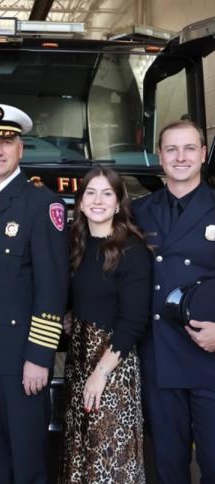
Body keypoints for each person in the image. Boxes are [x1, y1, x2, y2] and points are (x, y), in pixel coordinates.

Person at [0, 103, 69, 484]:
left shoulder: (43, 204)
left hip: (19, 361)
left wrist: (39, 356)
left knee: (27, 462)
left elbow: (52, 287)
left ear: (21, 148)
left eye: (7, 142)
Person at [133, 120, 215, 484]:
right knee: (168, 466)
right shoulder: (137, 211)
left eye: (189, 148)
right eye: (171, 149)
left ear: (203, 154)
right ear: (160, 157)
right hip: (159, 356)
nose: (180, 157)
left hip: (210, 355)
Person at [60, 167, 151, 483]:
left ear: (118, 203)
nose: (98, 201)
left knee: (110, 459)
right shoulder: (76, 244)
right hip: (78, 362)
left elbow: (134, 322)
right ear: (80, 202)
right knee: (80, 453)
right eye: (91, 193)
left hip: (113, 366)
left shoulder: (132, 250)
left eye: (106, 193)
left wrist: (101, 373)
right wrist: (70, 316)